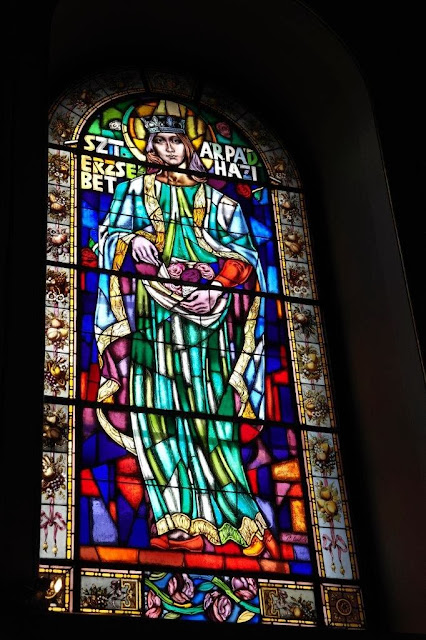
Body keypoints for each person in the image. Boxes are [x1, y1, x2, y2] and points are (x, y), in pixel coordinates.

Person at [94, 109, 279, 558]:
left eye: (176, 141)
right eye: (160, 142)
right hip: (153, 315)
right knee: (156, 411)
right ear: (149, 148)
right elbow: (109, 241)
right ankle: (174, 517)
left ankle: (230, 515)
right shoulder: (132, 192)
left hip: (210, 320)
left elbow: (246, 259)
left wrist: (217, 286)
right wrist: (129, 240)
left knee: (210, 413)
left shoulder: (220, 202)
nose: (169, 149)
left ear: (189, 146)